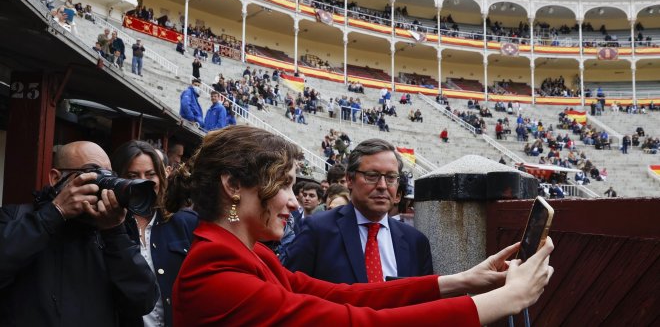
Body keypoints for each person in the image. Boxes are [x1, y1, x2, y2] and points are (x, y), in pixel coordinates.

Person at [172, 126, 555, 326]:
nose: (293, 199)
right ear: (233, 186)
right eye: (284, 183)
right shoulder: (216, 274)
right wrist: (504, 300)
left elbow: (345, 296)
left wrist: (464, 280)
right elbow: (354, 321)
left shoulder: (246, 254)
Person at [0, 141, 159, 326]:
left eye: (108, 175)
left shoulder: (116, 230)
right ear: (55, 177)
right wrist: (54, 213)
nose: (102, 183)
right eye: (92, 173)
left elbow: (143, 302)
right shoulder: (14, 217)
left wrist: (114, 233)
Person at [283, 139, 435, 284]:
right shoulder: (317, 231)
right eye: (372, 176)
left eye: (390, 177)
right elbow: (291, 292)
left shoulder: (416, 242)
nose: (383, 185)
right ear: (350, 179)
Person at [111, 141, 198, 327]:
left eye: (150, 174)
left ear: (161, 176)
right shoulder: (108, 228)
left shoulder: (184, 223)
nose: (144, 181)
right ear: (118, 179)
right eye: (133, 175)